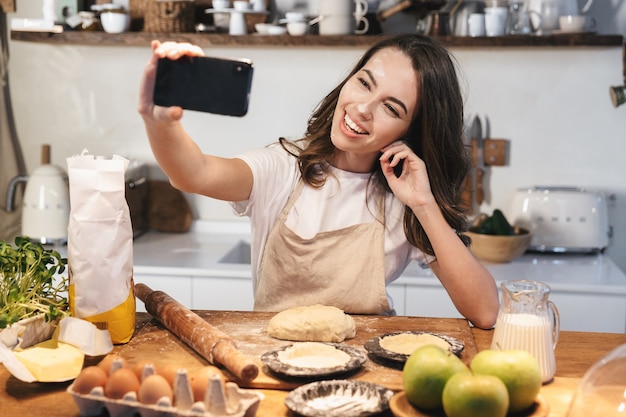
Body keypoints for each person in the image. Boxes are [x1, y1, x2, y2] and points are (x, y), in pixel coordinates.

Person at [138, 34, 499, 329]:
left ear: (414, 131)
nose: (361, 108)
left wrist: (423, 203)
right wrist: (159, 121)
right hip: (273, 365)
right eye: (363, 83)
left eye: (391, 108)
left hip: (366, 376)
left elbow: (484, 311)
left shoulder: (404, 201)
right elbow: (194, 173)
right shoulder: (283, 168)